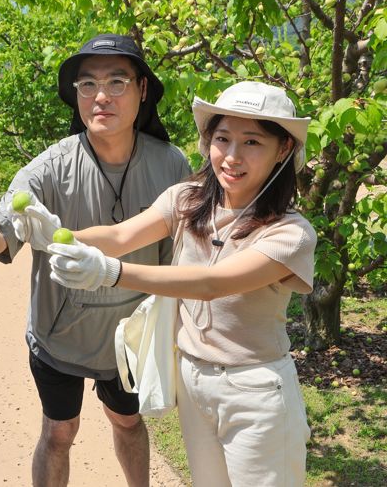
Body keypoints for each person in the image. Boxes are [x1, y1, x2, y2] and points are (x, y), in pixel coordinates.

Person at [0, 34, 191, 486]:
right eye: (87, 84)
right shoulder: (50, 168)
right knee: (59, 432)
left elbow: (183, 261)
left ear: (143, 90)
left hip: (129, 338)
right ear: (75, 94)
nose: (101, 96)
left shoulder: (171, 165)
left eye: (117, 82)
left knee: (128, 422)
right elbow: (2, 235)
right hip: (59, 335)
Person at [46, 81, 316, 486]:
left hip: (255, 390)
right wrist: (47, 232)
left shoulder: (290, 232)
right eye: (222, 138)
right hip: (194, 382)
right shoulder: (188, 200)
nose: (232, 155)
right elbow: (120, 236)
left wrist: (111, 272)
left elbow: (210, 284)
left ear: (283, 150)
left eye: (253, 142)